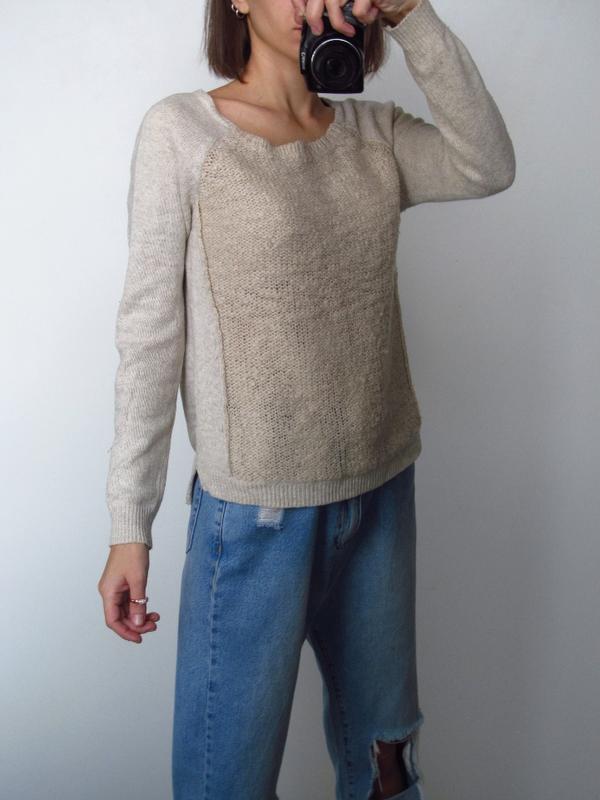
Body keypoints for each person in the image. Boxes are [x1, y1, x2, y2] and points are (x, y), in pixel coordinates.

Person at [97, 0, 516, 797]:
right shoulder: (182, 134)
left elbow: (487, 163)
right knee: (226, 783)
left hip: (381, 497)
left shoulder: (373, 134)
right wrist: (130, 524)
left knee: (386, 769)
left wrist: (412, 15)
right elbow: (149, 336)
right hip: (255, 520)